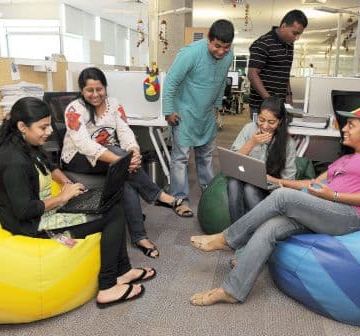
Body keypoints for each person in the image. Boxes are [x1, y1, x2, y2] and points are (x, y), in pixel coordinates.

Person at [189, 107, 360, 306]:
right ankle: (232, 291)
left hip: (350, 216)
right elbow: (312, 184)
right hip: (323, 210)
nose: (344, 128)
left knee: (281, 198)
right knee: (271, 227)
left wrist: (332, 195)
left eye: (351, 125)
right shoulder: (344, 159)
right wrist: (277, 180)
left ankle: (228, 238)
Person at [0, 97, 156, 308]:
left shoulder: (26, 144)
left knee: (112, 202)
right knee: (111, 214)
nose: (49, 131)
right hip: (32, 226)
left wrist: (69, 185)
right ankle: (107, 286)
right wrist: (62, 197)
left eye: (49, 124)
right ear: (22, 126)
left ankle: (122, 272)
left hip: (43, 212)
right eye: (43, 127)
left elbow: (49, 165)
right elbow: (24, 211)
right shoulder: (12, 160)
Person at [61, 67, 179, 259]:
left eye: (99, 89)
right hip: (77, 158)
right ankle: (157, 194)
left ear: (105, 87)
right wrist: (121, 161)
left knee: (125, 181)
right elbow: (84, 145)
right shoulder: (74, 109)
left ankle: (139, 236)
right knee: (119, 158)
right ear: (82, 90)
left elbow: (125, 132)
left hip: (108, 158)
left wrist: (133, 152)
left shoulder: (114, 104)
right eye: (89, 90)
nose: (95, 94)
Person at [163, 19, 235, 217]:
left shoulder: (229, 56)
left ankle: (210, 194)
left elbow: (221, 82)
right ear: (208, 40)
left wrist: (218, 106)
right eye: (217, 46)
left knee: (206, 156)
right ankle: (180, 199)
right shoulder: (191, 53)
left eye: (226, 47)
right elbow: (170, 81)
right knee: (181, 158)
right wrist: (169, 110)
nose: (221, 52)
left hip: (206, 114)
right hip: (184, 113)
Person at [228, 96, 297, 224]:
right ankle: (236, 230)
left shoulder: (288, 144)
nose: (265, 126)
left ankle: (259, 230)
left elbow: (289, 180)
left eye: (271, 122)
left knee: (250, 189)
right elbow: (233, 160)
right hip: (245, 177)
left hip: (270, 188)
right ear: (257, 116)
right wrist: (252, 142)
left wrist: (271, 180)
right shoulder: (249, 129)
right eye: (261, 119)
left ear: (280, 121)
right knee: (233, 183)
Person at [248, 9, 308, 121]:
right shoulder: (263, 43)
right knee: (263, 138)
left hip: (281, 105)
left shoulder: (289, 45)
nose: (296, 38)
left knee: (281, 137)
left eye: (299, 34)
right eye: (294, 33)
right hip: (262, 105)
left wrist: (289, 95)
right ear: (284, 26)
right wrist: (269, 100)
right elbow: (252, 74)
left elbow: (284, 73)